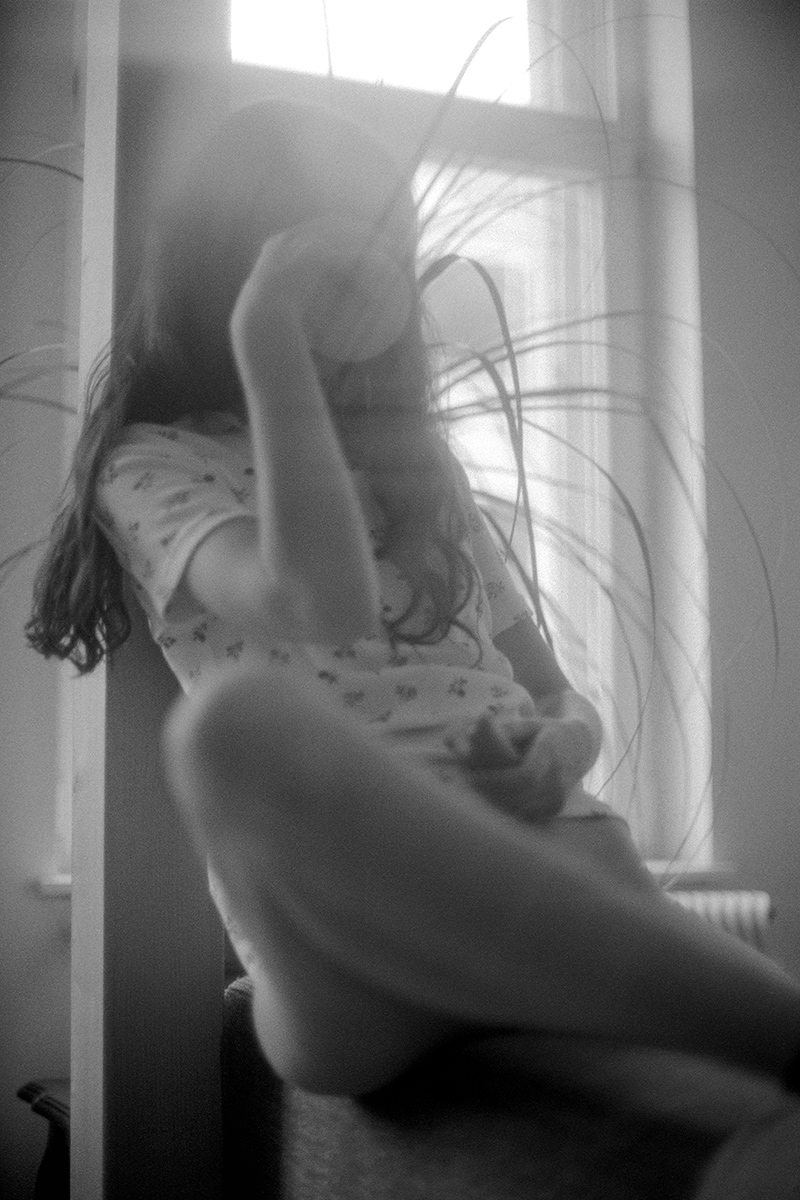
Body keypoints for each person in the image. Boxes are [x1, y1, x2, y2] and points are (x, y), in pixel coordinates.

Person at [26, 98, 800, 1190]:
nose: (367, 276)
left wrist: (560, 748)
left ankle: (750, 1037)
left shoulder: (424, 479)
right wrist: (271, 342)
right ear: (235, 255)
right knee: (228, 729)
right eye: (328, 243)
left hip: (542, 852)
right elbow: (318, 601)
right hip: (348, 952)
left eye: (383, 244)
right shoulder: (152, 463)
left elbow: (556, 695)